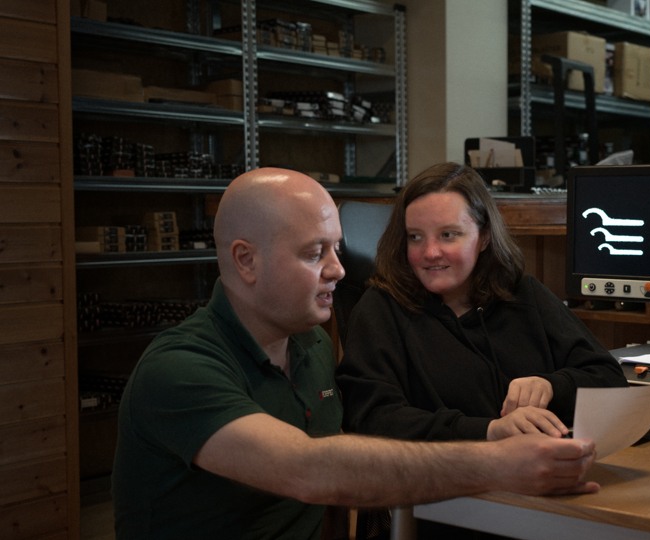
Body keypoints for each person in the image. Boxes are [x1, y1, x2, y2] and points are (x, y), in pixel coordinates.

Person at [111, 167, 600, 540]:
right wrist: (497, 461)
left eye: (336, 250)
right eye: (314, 253)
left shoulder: (311, 346)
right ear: (246, 260)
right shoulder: (179, 369)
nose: (339, 271)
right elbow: (309, 470)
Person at [336, 162, 628, 445]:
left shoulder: (521, 293)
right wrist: (488, 431)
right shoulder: (381, 309)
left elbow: (609, 378)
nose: (430, 252)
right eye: (415, 237)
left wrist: (552, 385)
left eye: (448, 235)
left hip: (540, 464)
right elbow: (371, 418)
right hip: (443, 474)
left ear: (484, 237)